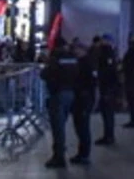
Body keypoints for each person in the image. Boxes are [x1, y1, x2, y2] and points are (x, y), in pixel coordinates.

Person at [42, 35, 81, 169]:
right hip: (71, 93)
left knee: (57, 128)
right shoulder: (73, 58)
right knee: (62, 123)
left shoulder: (55, 59)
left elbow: (45, 74)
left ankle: (59, 157)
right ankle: (60, 154)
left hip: (57, 94)